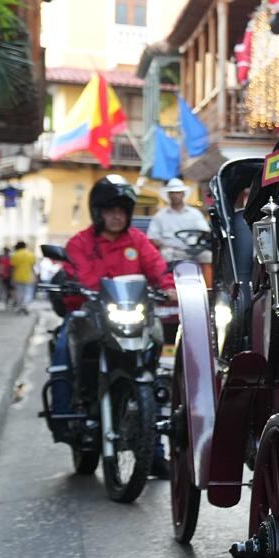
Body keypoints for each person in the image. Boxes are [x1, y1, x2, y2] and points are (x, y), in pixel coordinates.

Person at [56, 175, 174, 476]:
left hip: (131, 316)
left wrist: (169, 286)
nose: (117, 216)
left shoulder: (138, 241)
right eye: (110, 210)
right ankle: (66, 415)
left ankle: (154, 451)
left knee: (153, 366)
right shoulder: (80, 242)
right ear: (98, 212)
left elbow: (157, 269)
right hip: (91, 314)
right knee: (63, 346)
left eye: (122, 210)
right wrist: (73, 286)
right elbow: (74, 272)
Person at [147, 177, 212, 268]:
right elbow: (153, 237)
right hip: (171, 250)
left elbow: (205, 231)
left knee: (208, 256)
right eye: (172, 193)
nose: (175, 195)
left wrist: (196, 242)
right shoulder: (160, 216)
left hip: (193, 250)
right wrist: (164, 244)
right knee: (165, 254)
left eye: (177, 192)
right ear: (168, 195)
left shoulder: (195, 213)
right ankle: (169, 277)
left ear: (183, 194)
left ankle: (207, 278)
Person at [10, 241, 37, 314]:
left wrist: (11, 277)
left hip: (17, 276)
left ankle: (20, 306)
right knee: (28, 292)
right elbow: (32, 266)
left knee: (19, 292)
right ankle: (25, 305)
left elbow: (13, 267)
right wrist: (35, 276)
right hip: (28, 276)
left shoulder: (15, 255)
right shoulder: (30, 254)